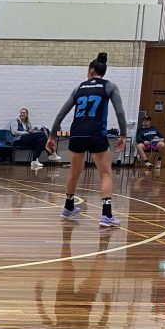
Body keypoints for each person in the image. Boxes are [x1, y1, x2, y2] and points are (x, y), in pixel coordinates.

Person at [46, 52, 127, 227]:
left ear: (90, 71)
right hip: (96, 133)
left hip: (77, 133)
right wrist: (123, 134)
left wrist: (52, 136)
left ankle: (68, 208)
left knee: (74, 172)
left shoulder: (79, 88)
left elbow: (62, 113)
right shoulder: (109, 86)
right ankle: (106, 215)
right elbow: (120, 112)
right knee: (105, 173)